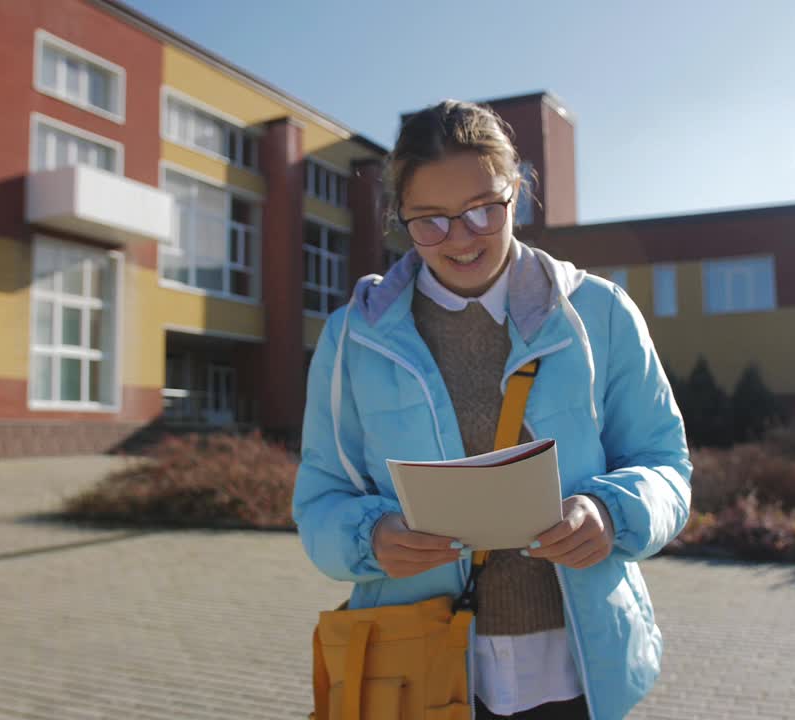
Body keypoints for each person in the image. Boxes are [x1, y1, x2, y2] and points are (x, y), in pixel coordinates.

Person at [292, 99, 693, 720]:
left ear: (517, 194)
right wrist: (371, 536)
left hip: (579, 665)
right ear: (399, 216)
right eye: (430, 220)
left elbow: (665, 464)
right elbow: (320, 497)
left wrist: (611, 514)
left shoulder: (600, 314)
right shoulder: (352, 341)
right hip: (415, 667)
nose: (461, 236)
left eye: (484, 209)